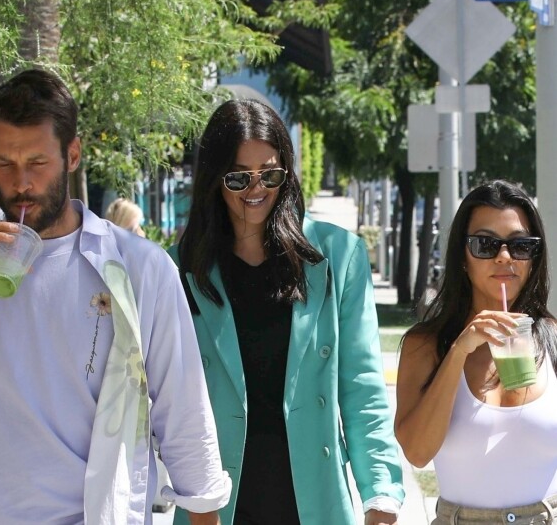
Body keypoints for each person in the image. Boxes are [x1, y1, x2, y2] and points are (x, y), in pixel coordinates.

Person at [0, 68, 231, 524]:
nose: (21, 184)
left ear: (72, 154)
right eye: (5, 164)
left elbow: (184, 409)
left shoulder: (138, 268)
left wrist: (204, 512)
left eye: (38, 163)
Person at [169, 99, 404, 525]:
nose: (256, 190)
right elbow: (168, 406)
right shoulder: (178, 270)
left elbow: (362, 388)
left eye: (271, 174)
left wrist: (381, 494)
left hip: (315, 502)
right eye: (239, 178)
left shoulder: (337, 256)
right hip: (217, 506)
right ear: (213, 180)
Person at [395, 180, 557, 524]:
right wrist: (458, 352)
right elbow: (418, 453)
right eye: (485, 244)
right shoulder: (425, 347)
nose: (504, 257)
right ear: (463, 258)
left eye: (520, 246)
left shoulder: (553, 337)